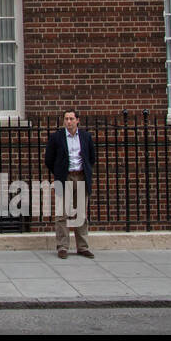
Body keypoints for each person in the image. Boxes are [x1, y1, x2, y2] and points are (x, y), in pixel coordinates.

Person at [45, 110, 95, 259]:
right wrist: (59, 172)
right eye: (66, 119)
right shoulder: (57, 137)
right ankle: (62, 246)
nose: (68, 121)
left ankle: (83, 247)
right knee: (62, 214)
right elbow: (49, 158)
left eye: (71, 119)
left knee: (81, 214)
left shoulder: (86, 137)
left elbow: (91, 157)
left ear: (77, 120)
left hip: (80, 176)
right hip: (65, 176)